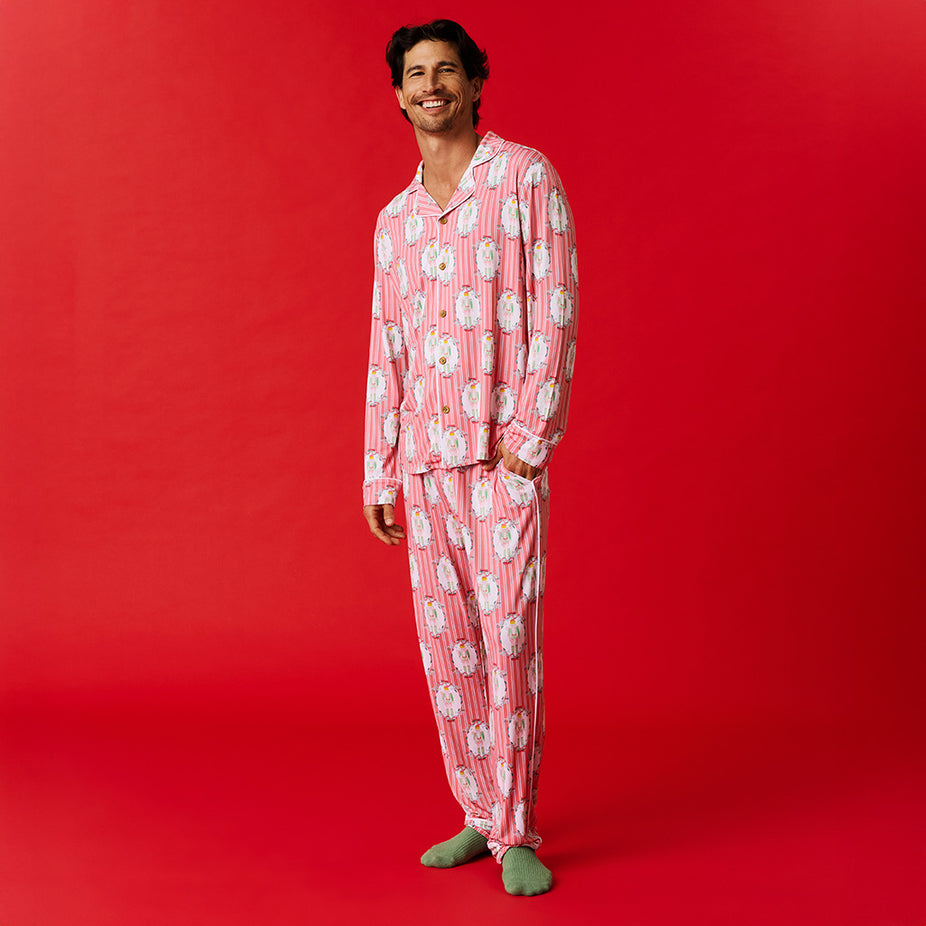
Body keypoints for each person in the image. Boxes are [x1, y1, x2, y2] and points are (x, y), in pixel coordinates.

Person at [361, 19, 578, 897]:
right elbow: (387, 347)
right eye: (416, 74)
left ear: (476, 82)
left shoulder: (524, 177)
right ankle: (480, 815)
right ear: (399, 94)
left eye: (446, 70)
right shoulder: (395, 221)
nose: (431, 85)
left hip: (500, 464)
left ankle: (516, 827)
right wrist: (379, 467)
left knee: (509, 642)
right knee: (450, 655)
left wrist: (528, 444)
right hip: (424, 465)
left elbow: (556, 304)